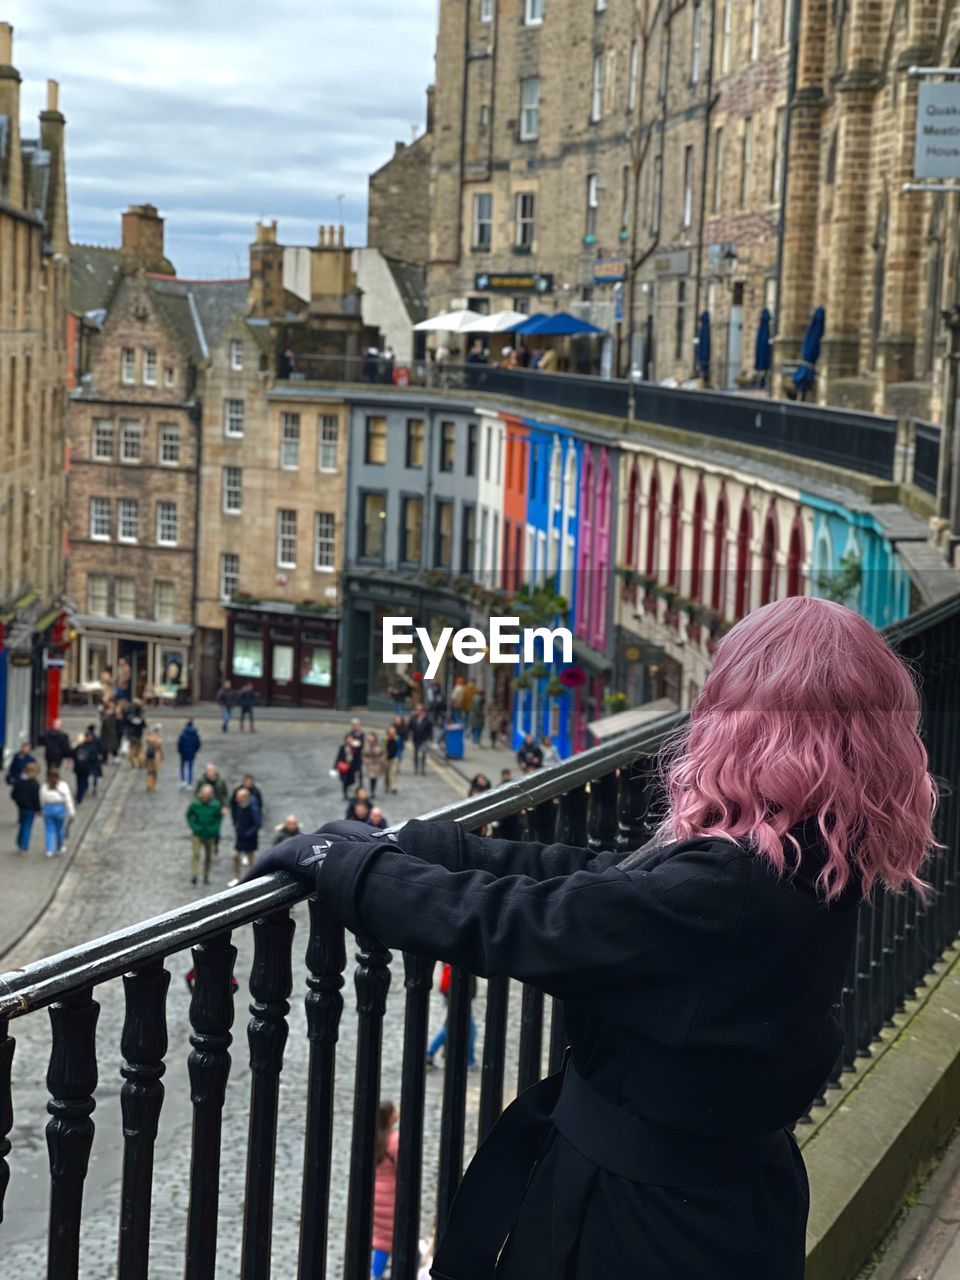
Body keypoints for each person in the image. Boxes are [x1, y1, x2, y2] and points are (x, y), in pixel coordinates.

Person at [247, 597, 936, 1279]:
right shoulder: (812, 855)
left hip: (641, 1228)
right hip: (728, 1206)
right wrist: (415, 845)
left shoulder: (727, 889)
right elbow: (595, 882)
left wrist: (343, 869)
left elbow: (519, 921)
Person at [426, 963, 478, 1071]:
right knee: (467, 1030)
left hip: (457, 993)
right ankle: (469, 1061)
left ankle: (431, 1053)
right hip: (457, 993)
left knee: (452, 1026)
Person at [371, 1100, 400, 1280]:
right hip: (391, 1197)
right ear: (390, 1118)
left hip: (377, 1196)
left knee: (381, 1240)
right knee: (393, 1238)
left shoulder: (375, 1139)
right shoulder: (394, 1141)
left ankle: (376, 1274)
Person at [186, 783, 222, 886]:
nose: (206, 796)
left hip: (210, 835)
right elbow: (189, 816)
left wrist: (213, 829)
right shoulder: (195, 804)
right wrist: (195, 827)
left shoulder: (215, 805)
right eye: (204, 794)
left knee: (208, 856)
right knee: (196, 854)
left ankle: (206, 875)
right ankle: (195, 875)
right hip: (198, 833)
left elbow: (218, 819)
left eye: (208, 794)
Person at [39, 768, 75, 858]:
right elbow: (68, 799)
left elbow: (41, 799)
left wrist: (42, 808)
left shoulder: (44, 786)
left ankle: (49, 850)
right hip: (60, 809)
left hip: (48, 808)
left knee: (49, 830)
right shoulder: (63, 785)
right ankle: (59, 847)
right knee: (59, 829)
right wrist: (71, 812)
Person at [195, 763, 229, 854]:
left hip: (217, 809)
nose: (210, 773)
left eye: (212, 770)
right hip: (205, 808)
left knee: (216, 829)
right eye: (208, 771)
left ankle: (215, 844)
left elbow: (225, 794)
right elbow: (196, 794)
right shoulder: (201, 781)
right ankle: (205, 844)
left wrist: (225, 806)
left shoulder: (221, 781)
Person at [231, 786, 262, 883]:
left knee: (251, 858)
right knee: (236, 856)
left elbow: (258, 823)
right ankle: (237, 877)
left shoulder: (253, 808)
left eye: (238, 797)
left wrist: (249, 833)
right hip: (240, 835)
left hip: (249, 837)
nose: (236, 799)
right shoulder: (241, 805)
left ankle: (252, 878)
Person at [11, 761, 40, 854]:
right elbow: (37, 798)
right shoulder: (35, 784)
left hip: (21, 807)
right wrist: (38, 809)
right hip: (30, 809)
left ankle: (19, 842)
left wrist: (18, 802)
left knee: (22, 824)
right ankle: (24, 846)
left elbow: (13, 794)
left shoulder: (19, 782)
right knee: (27, 826)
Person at [72, 729, 100, 806]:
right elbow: (94, 758)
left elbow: (73, 754)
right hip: (86, 768)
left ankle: (79, 795)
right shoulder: (92, 747)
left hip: (78, 767)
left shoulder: (80, 746)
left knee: (79, 782)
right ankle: (79, 797)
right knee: (82, 782)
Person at [334, 734, 362, 799]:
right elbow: (338, 757)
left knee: (351, 781)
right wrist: (335, 767)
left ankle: (349, 789)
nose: (349, 740)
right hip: (344, 767)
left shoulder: (355, 748)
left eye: (351, 738)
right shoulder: (342, 747)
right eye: (348, 738)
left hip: (352, 767)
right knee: (344, 781)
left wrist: (358, 768)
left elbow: (358, 758)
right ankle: (345, 794)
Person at [409, 706, 434, 776]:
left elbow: (430, 729)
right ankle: (416, 768)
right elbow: (409, 728)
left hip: (424, 739)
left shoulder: (428, 719)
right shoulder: (413, 718)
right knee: (416, 754)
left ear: (423, 711)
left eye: (419, 710)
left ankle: (423, 769)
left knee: (423, 754)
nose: (418, 711)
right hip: (416, 738)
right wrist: (407, 737)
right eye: (417, 710)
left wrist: (431, 738)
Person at [177, 720, 201, 788]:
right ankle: (189, 783)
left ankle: (183, 780)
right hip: (192, 753)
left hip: (183, 753)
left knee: (182, 767)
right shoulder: (195, 734)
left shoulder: (183, 734)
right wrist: (194, 751)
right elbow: (198, 744)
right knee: (190, 768)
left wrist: (180, 751)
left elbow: (179, 744)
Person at [363, 732, 385, 799]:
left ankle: (373, 790)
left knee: (375, 778)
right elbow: (364, 755)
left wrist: (381, 760)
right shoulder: (366, 745)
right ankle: (372, 791)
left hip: (377, 764)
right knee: (371, 778)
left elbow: (384, 753)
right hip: (370, 764)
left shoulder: (379, 745)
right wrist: (366, 761)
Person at [124, 701, 147, 768]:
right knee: (140, 750)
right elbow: (144, 726)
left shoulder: (129, 717)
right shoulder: (140, 718)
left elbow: (125, 724)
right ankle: (140, 762)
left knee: (132, 749)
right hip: (138, 735)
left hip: (131, 735)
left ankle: (134, 762)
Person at [144, 725, 164, 793]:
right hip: (156, 756)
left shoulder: (149, 737)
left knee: (149, 771)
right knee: (154, 772)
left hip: (148, 755)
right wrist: (162, 756)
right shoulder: (158, 739)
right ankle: (153, 786)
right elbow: (160, 748)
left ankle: (149, 784)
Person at [385, 725, 402, 795]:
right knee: (387, 773)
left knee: (393, 772)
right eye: (390, 731)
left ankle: (394, 787)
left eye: (393, 731)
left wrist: (398, 756)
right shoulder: (386, 738)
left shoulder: (397, 738)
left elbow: (400, 747)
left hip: (394, 758)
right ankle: (387, 786)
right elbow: (383, 747)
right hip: (386, 758)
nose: (392, 733)